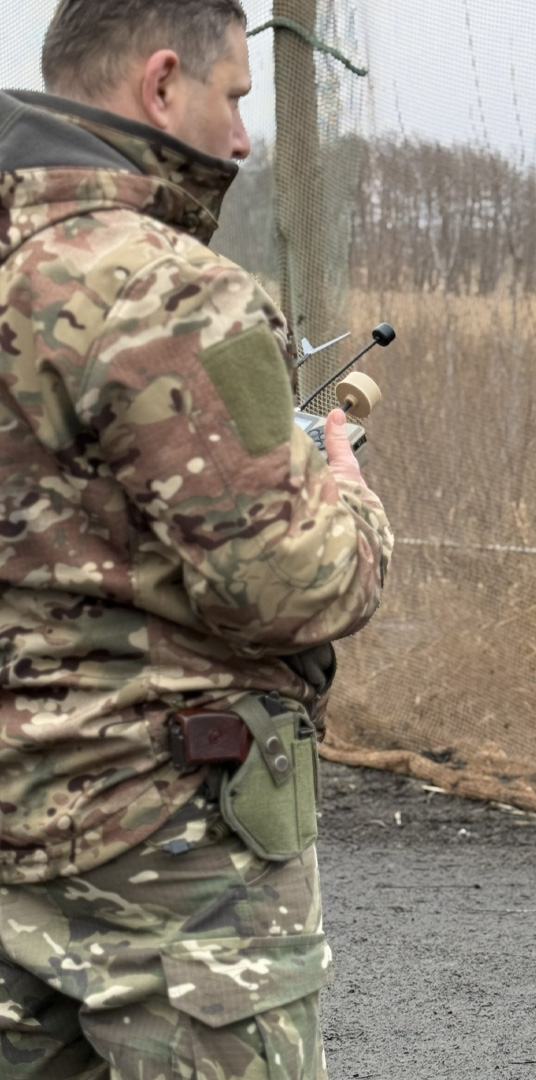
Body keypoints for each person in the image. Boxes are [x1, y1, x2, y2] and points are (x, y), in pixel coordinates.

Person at [0, 2, 392, 1077]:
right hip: (170, 864)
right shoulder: (163, 285)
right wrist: (347, 492)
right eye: (235, 97)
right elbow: (297, 583)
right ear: (163, 83)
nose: (242, 139)